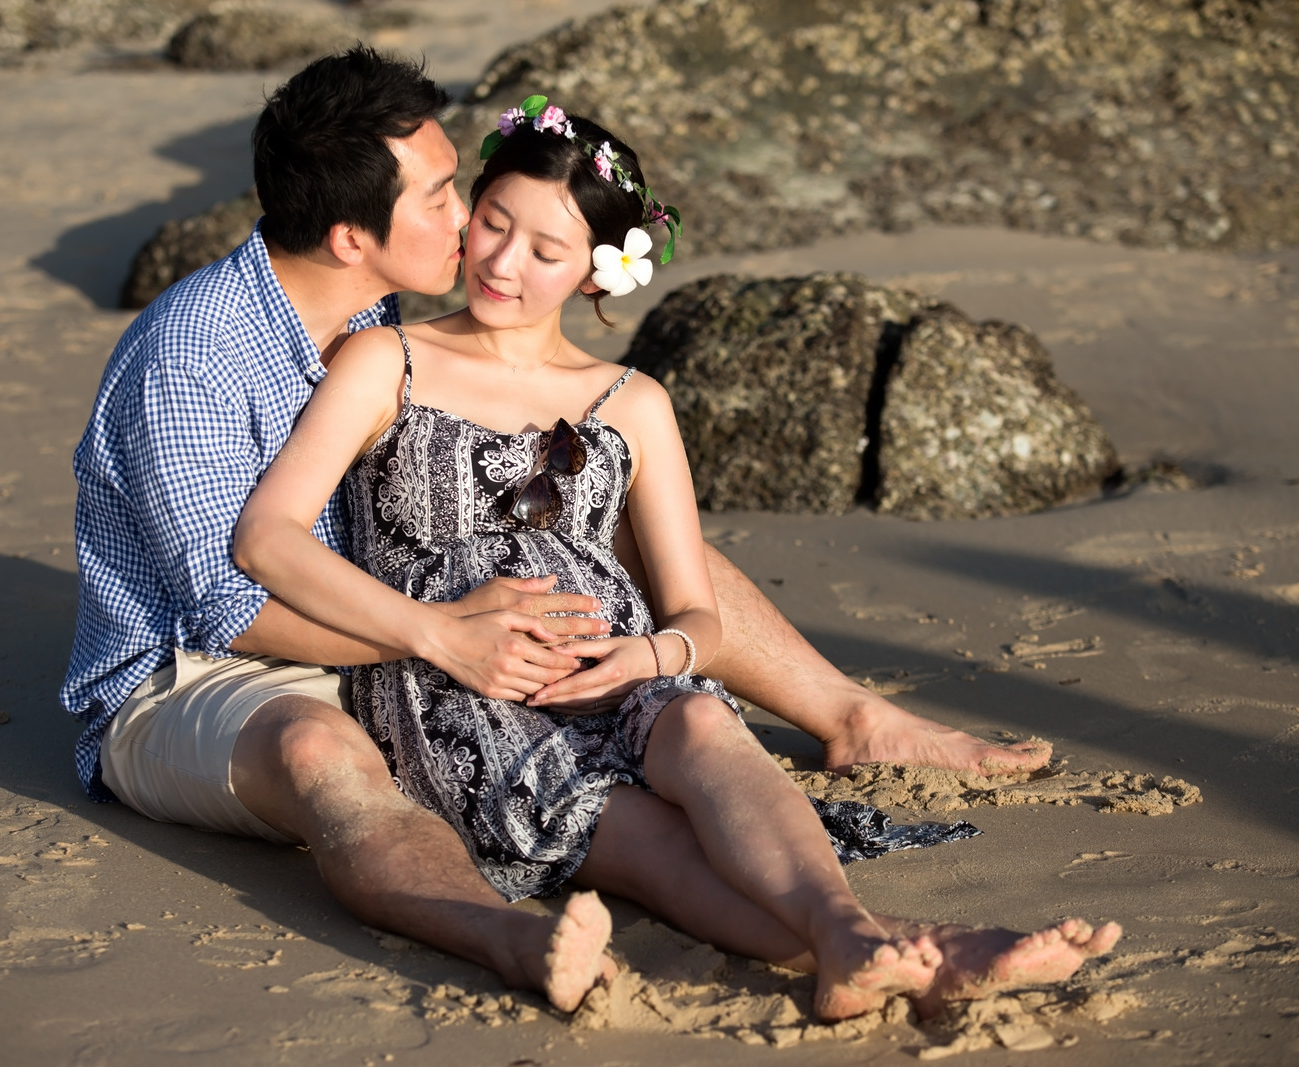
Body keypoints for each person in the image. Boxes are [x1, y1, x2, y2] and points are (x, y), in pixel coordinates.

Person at [60, 46, 1068, 1013]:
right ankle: (513, 934)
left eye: (475, 195)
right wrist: (447, 633)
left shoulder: (392, 306)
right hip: (195, 668)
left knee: (601, 539)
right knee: (329, 751)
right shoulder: (197, 358)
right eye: (451, 202)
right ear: (350, 238)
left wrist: (642, 645)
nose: (472, 234)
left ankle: (848, 749)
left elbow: (651, 574)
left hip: (436, 620)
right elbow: (229, 602)